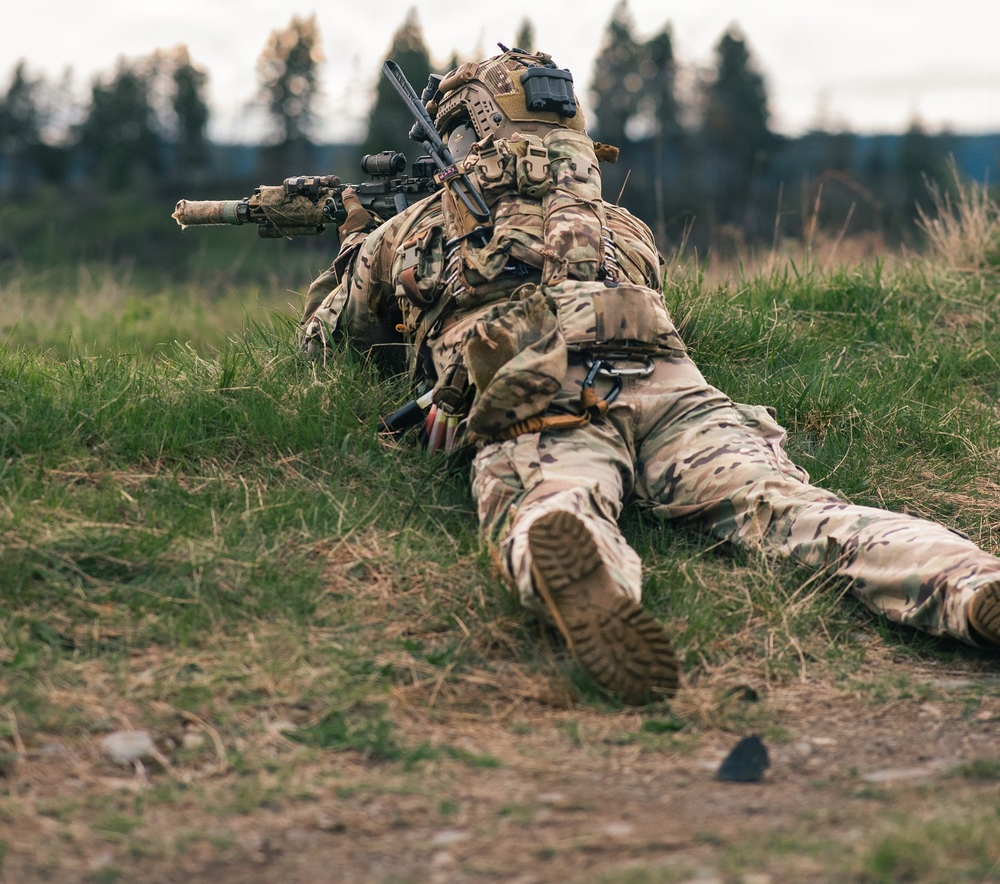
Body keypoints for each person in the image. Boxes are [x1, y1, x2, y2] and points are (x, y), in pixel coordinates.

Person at [299, 46, 1000, 702]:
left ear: (467, 132)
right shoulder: (621, 225)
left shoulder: (415, 227)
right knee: (795, 509)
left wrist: (357, 244)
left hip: (536, 385)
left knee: (555, 494)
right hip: (664, 375)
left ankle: (587, 566)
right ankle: (966, 582)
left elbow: (325, 343)